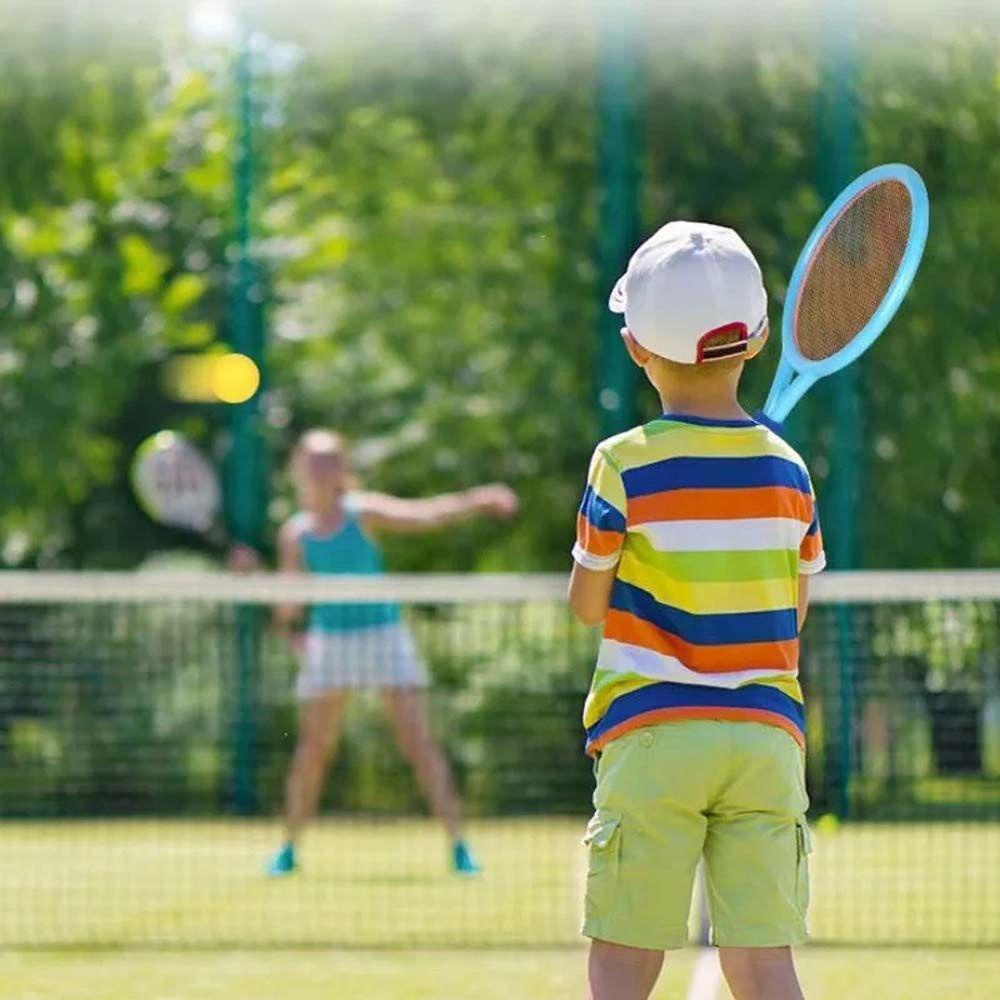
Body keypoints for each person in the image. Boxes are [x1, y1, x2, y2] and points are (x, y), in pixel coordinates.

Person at [568, 222, 825, 1000]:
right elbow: (795, 610)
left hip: (652, 740)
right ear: (760, 338)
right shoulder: (789, 469)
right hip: (764, 743)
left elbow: (587, 605)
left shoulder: (622, 462)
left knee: (623, 958)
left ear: (635, 346)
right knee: (763, 964)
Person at [245, 428, 518, 877]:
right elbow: (288, 608)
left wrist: (479, 499)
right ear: (298, 468)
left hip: (382, 636)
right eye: (313, 460)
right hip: (330, 643)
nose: (320, 468)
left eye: (329, 459)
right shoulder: (295, 535)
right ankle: (288, 849)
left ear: (341, 468)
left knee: (417, 742)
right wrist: (255, 580)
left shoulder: (363, 512)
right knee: (312, 750)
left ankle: (459, 847)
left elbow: (427, 515)